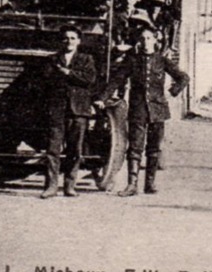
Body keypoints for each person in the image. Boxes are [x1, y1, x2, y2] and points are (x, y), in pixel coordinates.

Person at [115, 24, 189, 196]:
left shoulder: (162, 61)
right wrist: (102, 98)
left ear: (155, 40)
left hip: (158, 109)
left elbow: (184, 77)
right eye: (142, 39)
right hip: (138, 108)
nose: (145, 41)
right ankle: (131, 185)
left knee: (154, 147)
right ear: (139, 42)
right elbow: (117, 79)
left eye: (149, 38)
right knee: (135, 146)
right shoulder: (132, 60)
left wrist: (172, 92)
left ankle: (150, 184)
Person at [38, 25, 102, 199]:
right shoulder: (52, 59)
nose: (69, 41)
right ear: (61, 41)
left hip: (78, 110)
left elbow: (90, 79)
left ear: (79, 41)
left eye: (73, 38)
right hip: (57, 109)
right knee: (52, 150)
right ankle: (50, 187)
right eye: (66, 38)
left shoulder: (86, 59)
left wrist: (68, 73)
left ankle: (69, 186)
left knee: (75, 150)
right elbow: (46, 80)